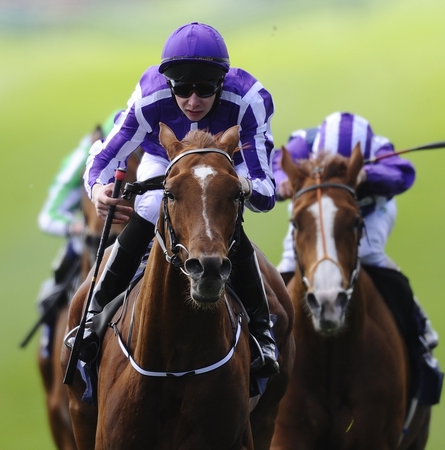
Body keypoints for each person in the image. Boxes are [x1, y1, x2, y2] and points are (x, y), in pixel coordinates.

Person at [76, 22, 280, 377]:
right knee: (152, 205)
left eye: (204, 89)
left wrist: (235, 189)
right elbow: (103, 157)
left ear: (222, 82)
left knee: (219, 210)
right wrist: (97, 190)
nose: (193, 101)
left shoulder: (249, 99)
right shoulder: (149, 96)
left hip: (225, 160)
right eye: (182, 90)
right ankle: (94, 313)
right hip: (165, 155)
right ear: (168, 84)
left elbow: (265, 191)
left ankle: (262, 331)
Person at [273, 112, 441, 401]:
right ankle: (262, 337)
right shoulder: (304, 142)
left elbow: (404, 174)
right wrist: (281, 181)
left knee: (369, 254)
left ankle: (418, 324)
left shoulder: (380, 148)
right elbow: (277, 162)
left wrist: (367, 174)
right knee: (288, 266)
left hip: (369, 212)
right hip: (314, 213)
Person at [33, 110, 121, 341]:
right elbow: (49, 216)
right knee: (50, 297)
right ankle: (49, 346)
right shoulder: (83, 158)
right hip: (92, 240)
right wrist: (80, 228)